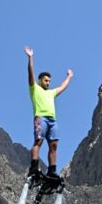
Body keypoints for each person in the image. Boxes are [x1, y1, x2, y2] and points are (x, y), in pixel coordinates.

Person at [24, 45, 73, 179]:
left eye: (49, 81)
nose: (48, 83)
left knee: (54, 145)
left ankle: (52, 171)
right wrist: (30, 57)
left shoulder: (51, 93)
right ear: (40, 80)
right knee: (38, 142)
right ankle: (34, 168)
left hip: (52, 120)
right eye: (46, 80)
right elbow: (31, 73)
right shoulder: (34, 89)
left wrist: (69, 77)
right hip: (41, 119)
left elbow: (62, 87)